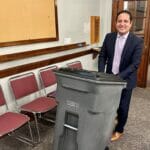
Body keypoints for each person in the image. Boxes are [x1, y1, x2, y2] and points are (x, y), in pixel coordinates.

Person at [98, 10, 143, 141]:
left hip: (126, 80)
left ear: (130, 23)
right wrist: (102, 73)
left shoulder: (137, 41)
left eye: (125, 21)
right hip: (109, 78)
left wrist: (118, 77)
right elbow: (102, 56)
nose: (122, 24)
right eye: (119, 21)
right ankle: (109, 123)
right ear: (116, 22)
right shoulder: (109, 37)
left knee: (123, 107)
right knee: (109, 105)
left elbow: (135, 64)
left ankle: (120, 129)